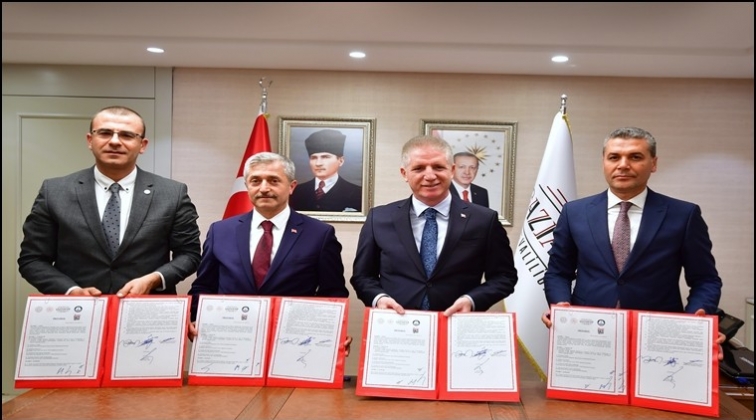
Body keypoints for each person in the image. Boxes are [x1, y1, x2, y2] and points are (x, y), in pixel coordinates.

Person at [542, 126, 723, 326]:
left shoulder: (683, 215)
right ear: (603, 162)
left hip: (658, 331)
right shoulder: (574, 213)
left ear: (653, 163)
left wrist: (695, 319)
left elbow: (705, 279)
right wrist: (561, 304)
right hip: (587, 328)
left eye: (635, 157)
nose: (623, 165)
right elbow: (558, 272)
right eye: (614, 157)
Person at [18, 105, 201, 297]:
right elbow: (32, 259)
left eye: (127, 135)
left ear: (143, 145)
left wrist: (154, 279)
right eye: (105, 133)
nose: (114, 141)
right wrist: (71, 291)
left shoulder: (172, 193)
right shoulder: (54, 192)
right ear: (90, 140)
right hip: (77, 310)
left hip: (146, 308)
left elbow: (189, 254)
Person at [187, 152, 351, 349]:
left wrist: (333, 330)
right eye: (255, 181)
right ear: (247, 186)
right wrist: (195, 318)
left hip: (291, 345)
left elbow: (333, 292)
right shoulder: (220, 231)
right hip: (229, 342)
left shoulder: (319, 234)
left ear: (292, 186)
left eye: (274, 181)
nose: (264, 188)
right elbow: (204, 285)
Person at [350, 135, 517, 316]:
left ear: (452, 170)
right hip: (396, 324)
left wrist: (472, 300)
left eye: (438, 167)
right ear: (404, 173)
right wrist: (379, 298)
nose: (430, 176)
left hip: (456, 323)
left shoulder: (484, 220)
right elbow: (362, 277)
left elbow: (504, 277)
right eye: (418, 168)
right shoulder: (378, 219)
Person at [289, 129, 362, 212]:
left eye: (325, 157)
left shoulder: (357, 193)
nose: (318, 163)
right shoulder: (296, 192)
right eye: (314, 158)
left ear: (341, 161)